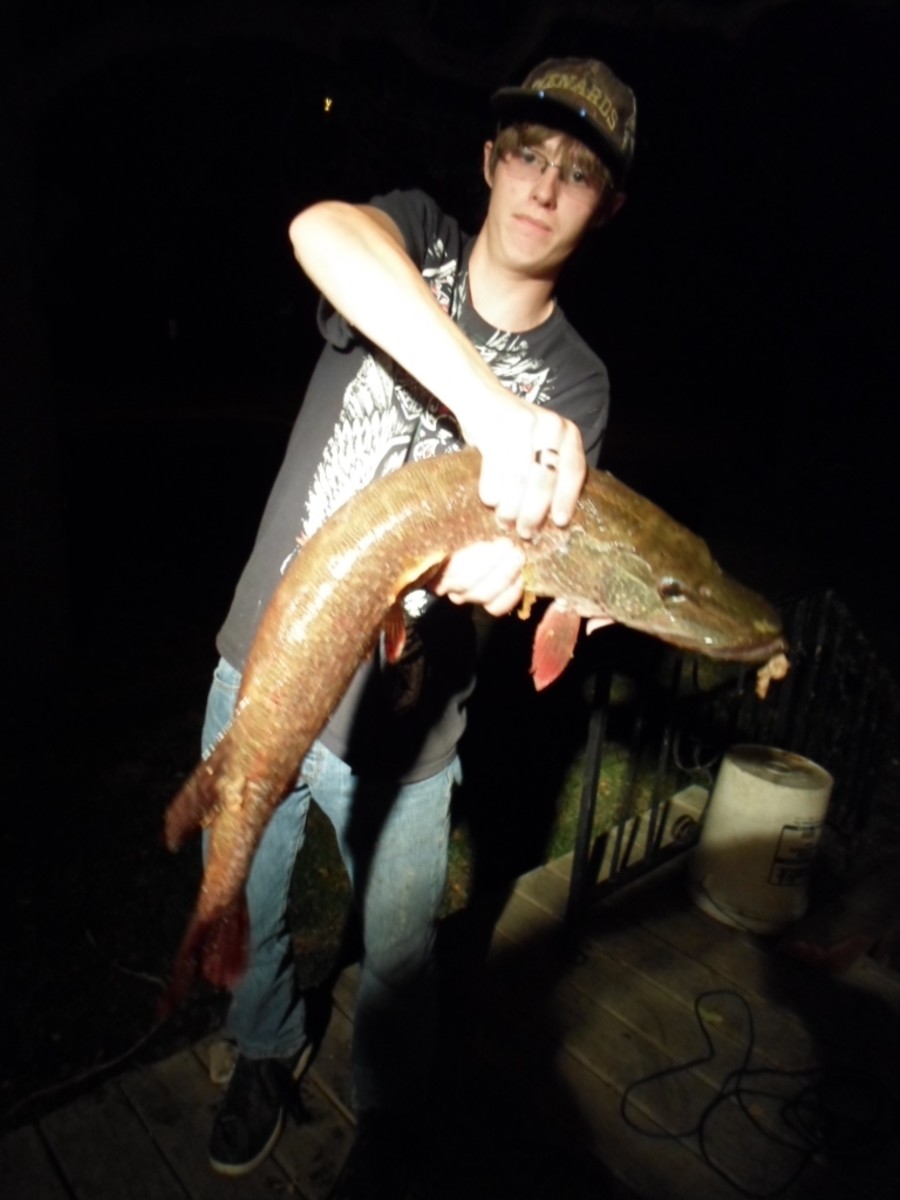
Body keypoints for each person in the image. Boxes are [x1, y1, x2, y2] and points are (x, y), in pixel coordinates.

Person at [201, 56, 636, 1198]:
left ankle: (388, 1105)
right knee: (240, 883)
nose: (545, 187)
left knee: (398, 949)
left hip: (406, 722)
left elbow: (532, 545)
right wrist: (485, 411)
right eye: (529, 155)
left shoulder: (577, 386)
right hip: (261, 661)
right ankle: (262, 1042)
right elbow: (321, 232)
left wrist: (503, 569)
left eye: (579, 173)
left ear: (605, 207)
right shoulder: (416, 238)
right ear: (492, 163)